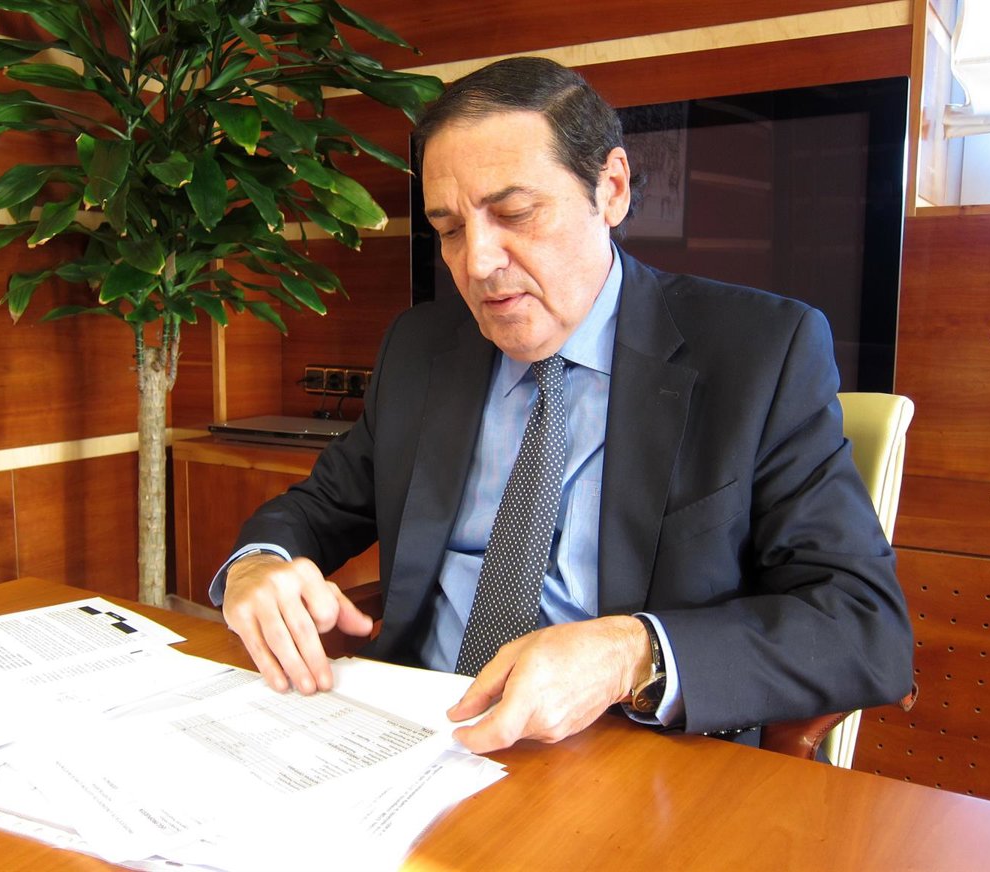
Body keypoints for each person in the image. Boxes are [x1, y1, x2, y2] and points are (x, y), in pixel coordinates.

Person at [211, 56, 914, 755]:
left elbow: (865, 628)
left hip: (631, 755)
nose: (477, 262)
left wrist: (630, 655)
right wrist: (257, 564)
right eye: (449, 229)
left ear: (611, 189)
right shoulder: (423, 347)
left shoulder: (760, 353)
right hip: (418, 734)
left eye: (515, 213)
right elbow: (319, 507)